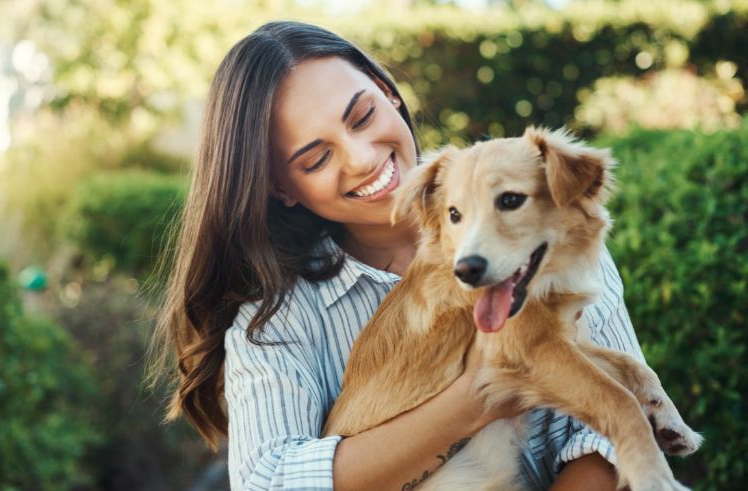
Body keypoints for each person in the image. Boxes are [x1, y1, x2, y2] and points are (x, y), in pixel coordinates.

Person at [148, 21, 647, 490]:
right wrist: (474, 397)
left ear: (389, 93)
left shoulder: (544, 233)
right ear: (282, 189)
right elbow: (269, 479)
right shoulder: (278, 322)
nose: (362, 158)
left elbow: (607, 439)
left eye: (363, 116)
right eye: (317, 158)